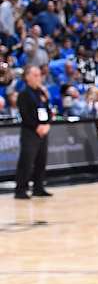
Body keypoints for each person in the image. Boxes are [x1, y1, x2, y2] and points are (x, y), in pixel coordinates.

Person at [11, 62, 50, 198]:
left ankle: (38, 188)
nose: (39, 78)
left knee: (41, 160)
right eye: (35, 75)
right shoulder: (24, 94)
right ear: (27, 77)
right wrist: (36, 126)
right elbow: (25, 114)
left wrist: (47, 124)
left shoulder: (42, 93)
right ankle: (21, 190)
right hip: (30, 132)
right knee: (27, 161)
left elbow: (48, 110)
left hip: (43, 131)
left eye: (39, 75)